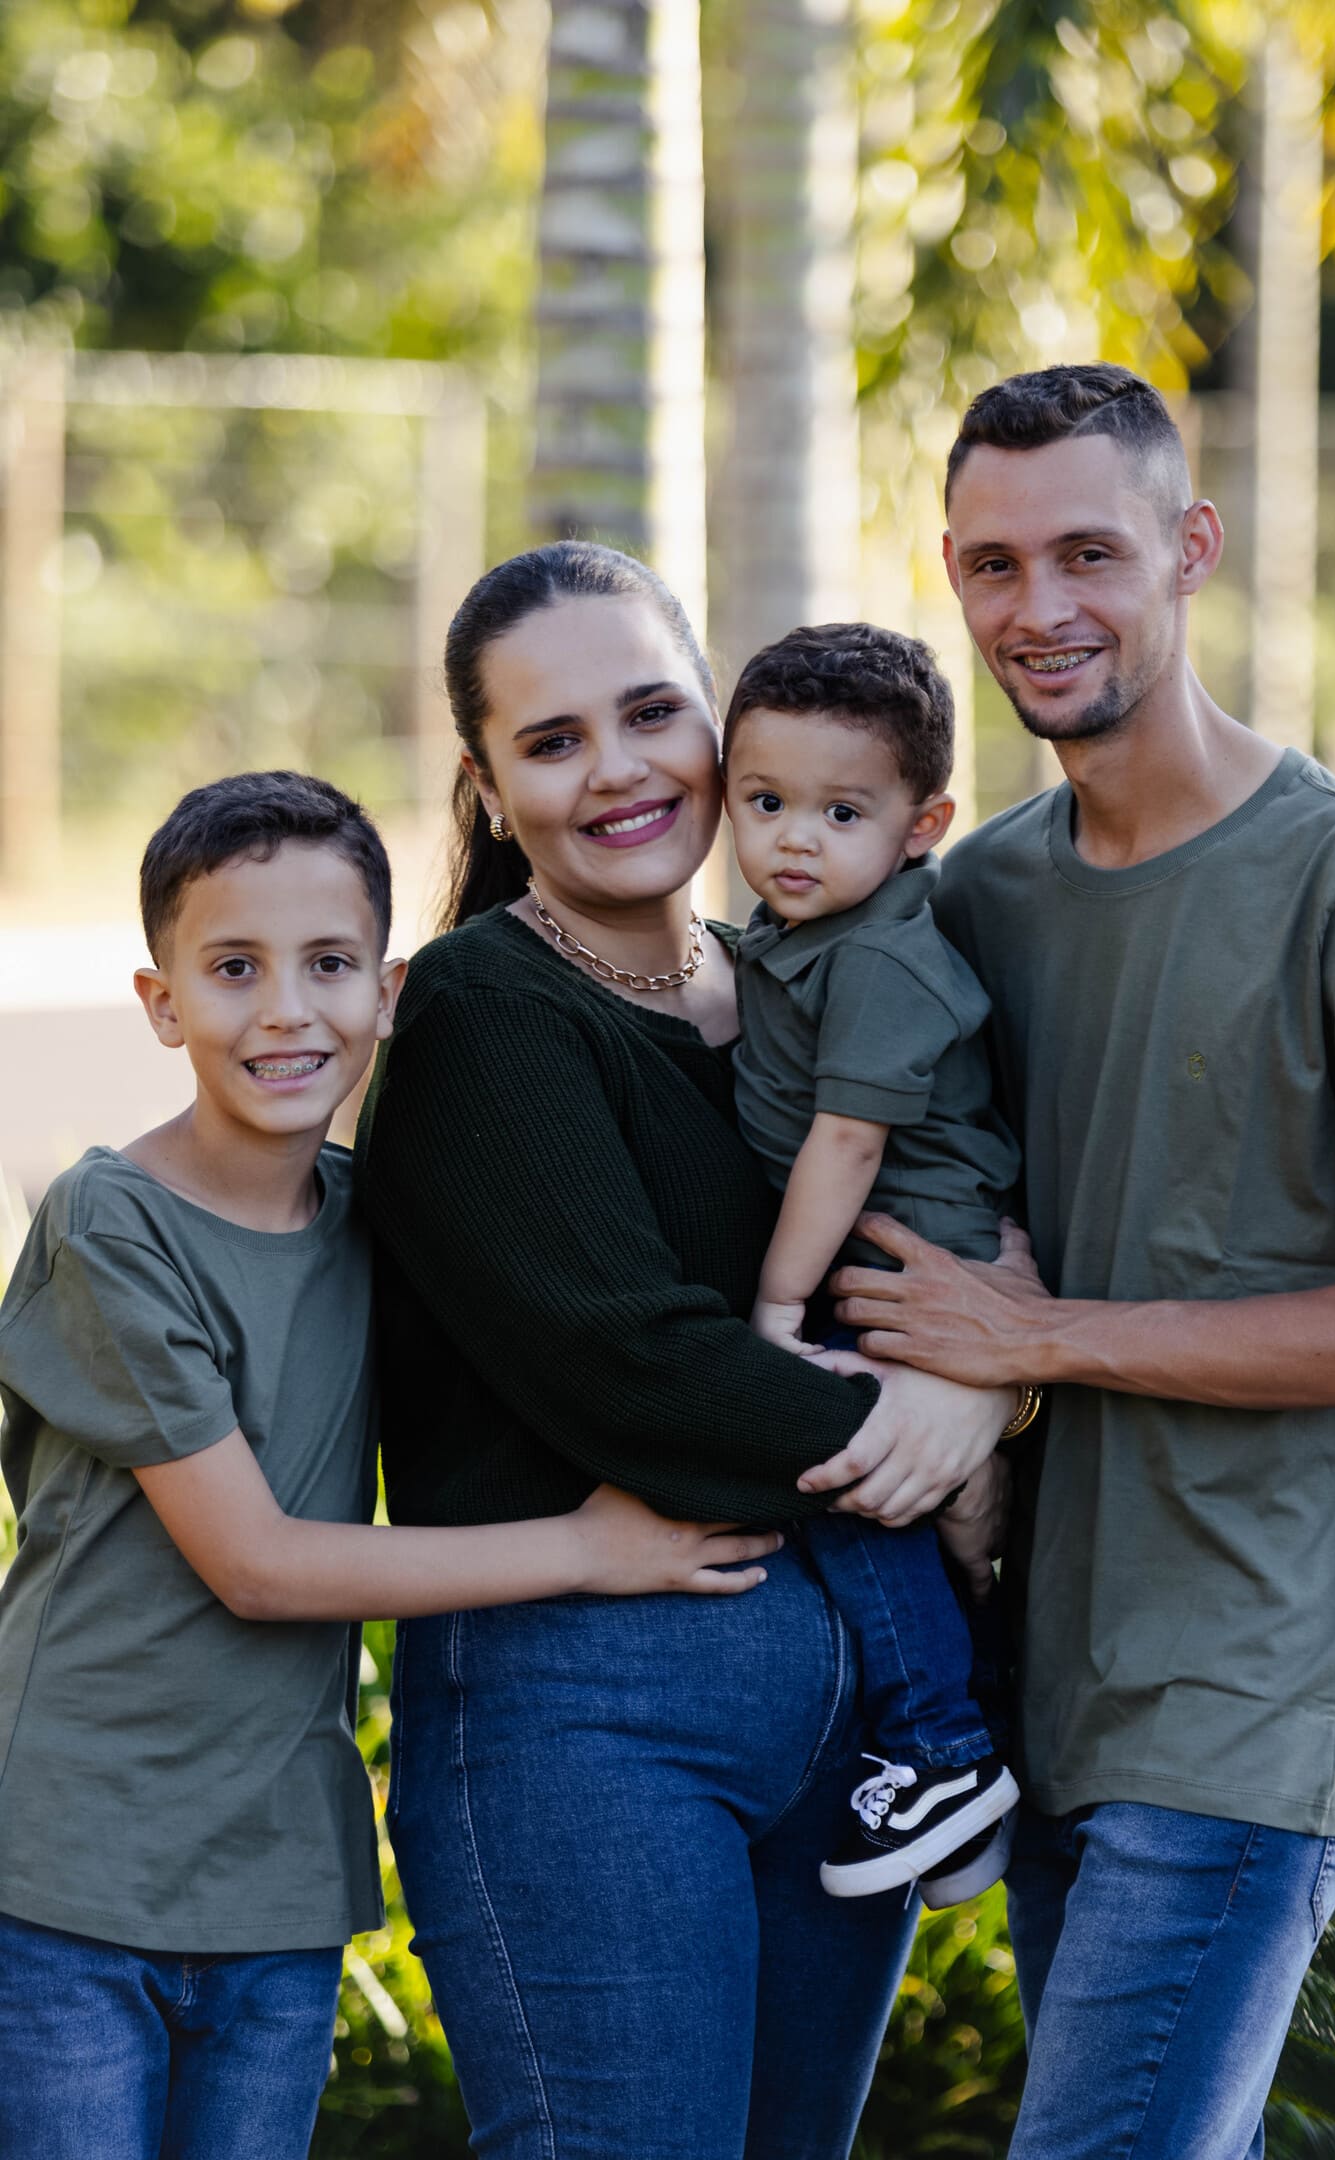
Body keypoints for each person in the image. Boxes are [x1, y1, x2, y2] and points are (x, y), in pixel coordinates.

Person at [827, 362, 1335, 2158]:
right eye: (996, 566)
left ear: (1192, 551)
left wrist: (1046, 1337)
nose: (1042, 610)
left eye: (1089, 553)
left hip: (1255, 1696)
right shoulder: (975, 898)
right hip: (1045, 1682)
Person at [0, 770, 782, 2160]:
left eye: (329, 966)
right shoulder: (111, 1225)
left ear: (390, 990)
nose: (287, 1011)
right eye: (234, 969)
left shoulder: (384, 1219)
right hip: (67, 1870)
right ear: (162, 1000)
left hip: (280, 1882)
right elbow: (253, 1564)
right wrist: (593, 1549)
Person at [353, 541, 1021, 2160]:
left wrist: (999, 1359)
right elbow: (633, 1367)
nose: (619, 771)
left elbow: (949, 1221)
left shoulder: (790, 980)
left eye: (653, 712)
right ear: (490, 789)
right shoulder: (480, 1014)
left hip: (852, 1738)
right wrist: (930, 1427)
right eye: (553, 740)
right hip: (589, 1726)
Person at [722, 621, 1028, 1901]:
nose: (796, 838)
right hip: (870, 1261)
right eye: (766, 802)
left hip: (912, 1268)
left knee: (845, 1472)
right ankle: (963, 1714)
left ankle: (943, 1749)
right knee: (920, 1511)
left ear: (922, 825)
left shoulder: (891, 958)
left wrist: (777, 1305)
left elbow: (846, 1146)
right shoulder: (804, 927)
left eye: (841, 811)